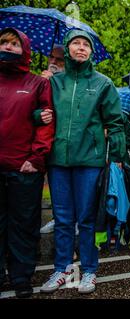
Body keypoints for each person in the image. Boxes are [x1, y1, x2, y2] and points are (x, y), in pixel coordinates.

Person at [40, 30, 125, 295]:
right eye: (76, 43)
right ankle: (63, 268)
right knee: (63, 218)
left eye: (85, 44)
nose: (81, 47)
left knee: (87, 219)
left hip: (90, 160)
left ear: (91, 52)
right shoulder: (54, 82)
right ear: (67, 50)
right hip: (58, 160)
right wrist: (37, 105)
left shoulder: (103, 83)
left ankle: (88, 270)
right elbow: (36, 110)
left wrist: (119, 158)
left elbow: (115, 122)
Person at [0, 27, 55, 298]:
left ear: (25, 50)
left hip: (24, 168)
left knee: (22, 225)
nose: (8, 47)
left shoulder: (38, 83)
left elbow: (47, 121)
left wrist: (36, 158)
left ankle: (21, 277)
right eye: (4, 43)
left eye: (14, 44)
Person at [39, 45, 65, 235]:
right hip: (40, 145)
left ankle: (65, 222)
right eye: (51, 58)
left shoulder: (66, 84)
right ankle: (57, 218)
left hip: (61, 142)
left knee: (61, 186)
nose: (53, 62)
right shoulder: (40, 80)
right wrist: (41, 84)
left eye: (59, 60)